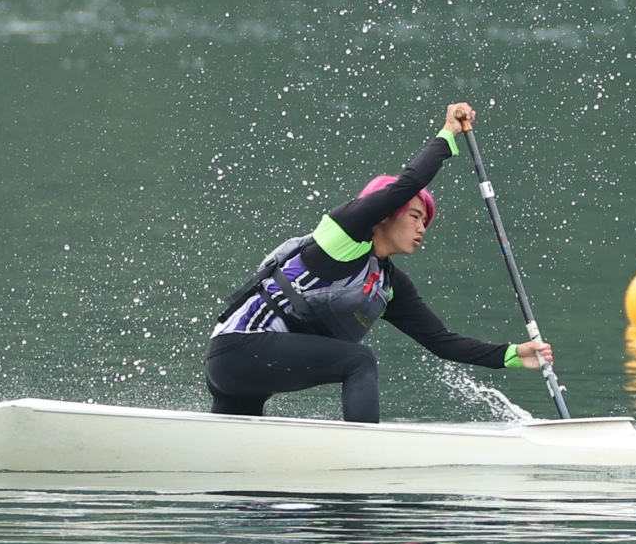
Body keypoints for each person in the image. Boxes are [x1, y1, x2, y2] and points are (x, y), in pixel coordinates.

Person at [206, 102, 553, 424]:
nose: (421, 228)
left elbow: (441, 341)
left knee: (236, 446)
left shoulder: (390, 285)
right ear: (385, 213)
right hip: (238, 348)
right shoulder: (342, 236)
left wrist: (513, 354)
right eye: (414, 216)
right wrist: (449, 132)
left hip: (248, 372)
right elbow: (409, 183)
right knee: (360, 360)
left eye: (425, 222)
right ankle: (364, 449)